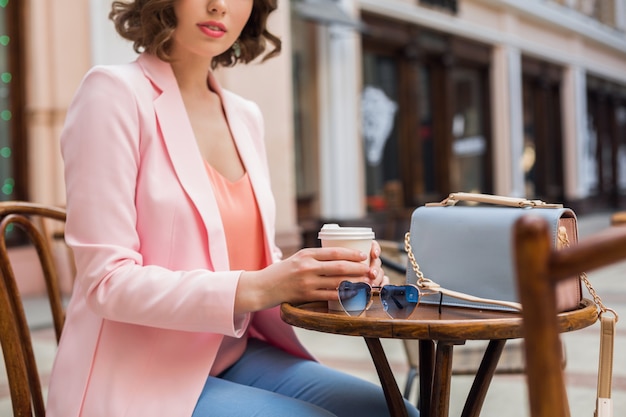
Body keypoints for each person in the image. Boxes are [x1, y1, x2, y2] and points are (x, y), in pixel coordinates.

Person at [47, 0, 420, 416]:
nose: (218, 6)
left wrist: (326, 276)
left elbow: (257, 261)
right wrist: (262, 285)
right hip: (137, 374)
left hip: (235, 356)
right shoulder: (112, 94)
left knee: (394, 411)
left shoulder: (246, 116)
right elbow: (106, 282)